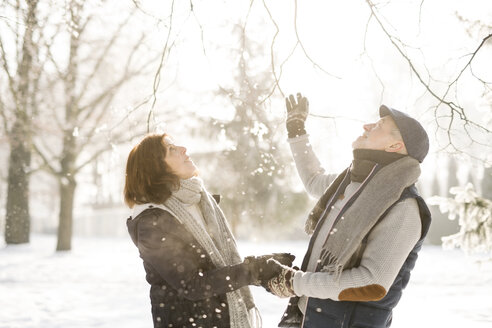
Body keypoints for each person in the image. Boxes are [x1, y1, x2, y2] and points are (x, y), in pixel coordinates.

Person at [261, 94, 432, 328]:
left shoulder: (404, 207)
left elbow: (371, 283)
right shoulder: (352, 184)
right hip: (306, 317)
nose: (367, 125)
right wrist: (296, 130)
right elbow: (314, 179)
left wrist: (294, 282)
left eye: (380, 126)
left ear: (395, 146)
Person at [124, 133, 294, 328]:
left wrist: (265, 270)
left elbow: (217, 266)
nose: (183, 149)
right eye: (171, 149)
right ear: (156, 168)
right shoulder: (152, 222)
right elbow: (193, 285)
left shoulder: (201, 202)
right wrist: (254, 270)